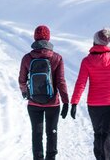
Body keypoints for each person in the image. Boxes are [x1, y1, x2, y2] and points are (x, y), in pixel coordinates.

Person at [69, 27, 110, 160]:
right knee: (107, 135)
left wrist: (74, 103)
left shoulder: (87, 61)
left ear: (94, 42)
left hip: (94, 105)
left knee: (98, 134)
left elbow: (80, 83)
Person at [19, 25, 70, 160]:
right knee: (51, 132)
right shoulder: (57, 58)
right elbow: (61, 81)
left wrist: (25, 93)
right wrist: (66, 101)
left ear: (35, 38)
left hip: (33, 103)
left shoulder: (27, 58)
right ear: (48, 38)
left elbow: (22, 80)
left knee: (36, 133)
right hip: (53, 103)